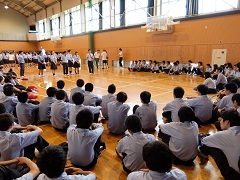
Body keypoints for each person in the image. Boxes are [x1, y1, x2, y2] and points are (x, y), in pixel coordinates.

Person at [198, 110, 240, 180]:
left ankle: (202, 153)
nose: (220, 121)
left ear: (227, 122)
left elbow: (205, 141)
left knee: (211, 146)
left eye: (221, 119)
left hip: (235, 176)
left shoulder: (225, 134)